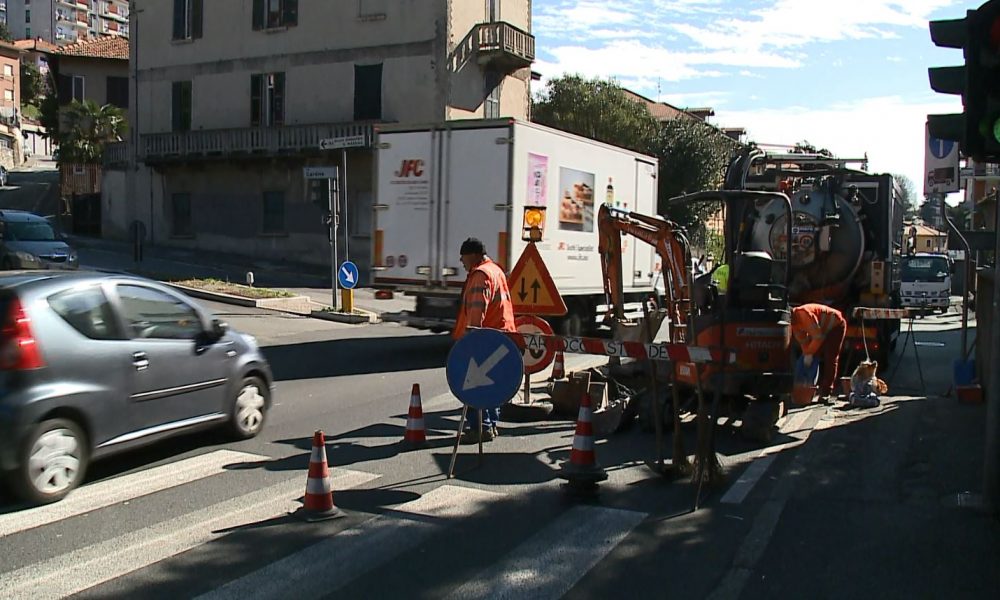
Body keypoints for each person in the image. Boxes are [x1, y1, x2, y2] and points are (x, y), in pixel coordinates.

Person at [452, 237, 516, 443]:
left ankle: (480, 427)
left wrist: (471, 339)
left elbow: (477, 309)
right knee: (491, 383)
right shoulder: (496, 270)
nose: (462, 263)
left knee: (473, 383)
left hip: (485, 337)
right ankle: (491, 424)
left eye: (463, 258)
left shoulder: (480, 275)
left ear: (472, 255)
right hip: (500, 336)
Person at [790, 303, 847, 401]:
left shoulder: (804, 314)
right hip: (821, 330)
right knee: (811, 356)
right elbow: (804, 342)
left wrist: (809, 353)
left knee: (830, 358)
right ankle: (805, 389)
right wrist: (807, 354)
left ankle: (826, 392)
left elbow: (818, 338)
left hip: (836, 325)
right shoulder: (794, 323)